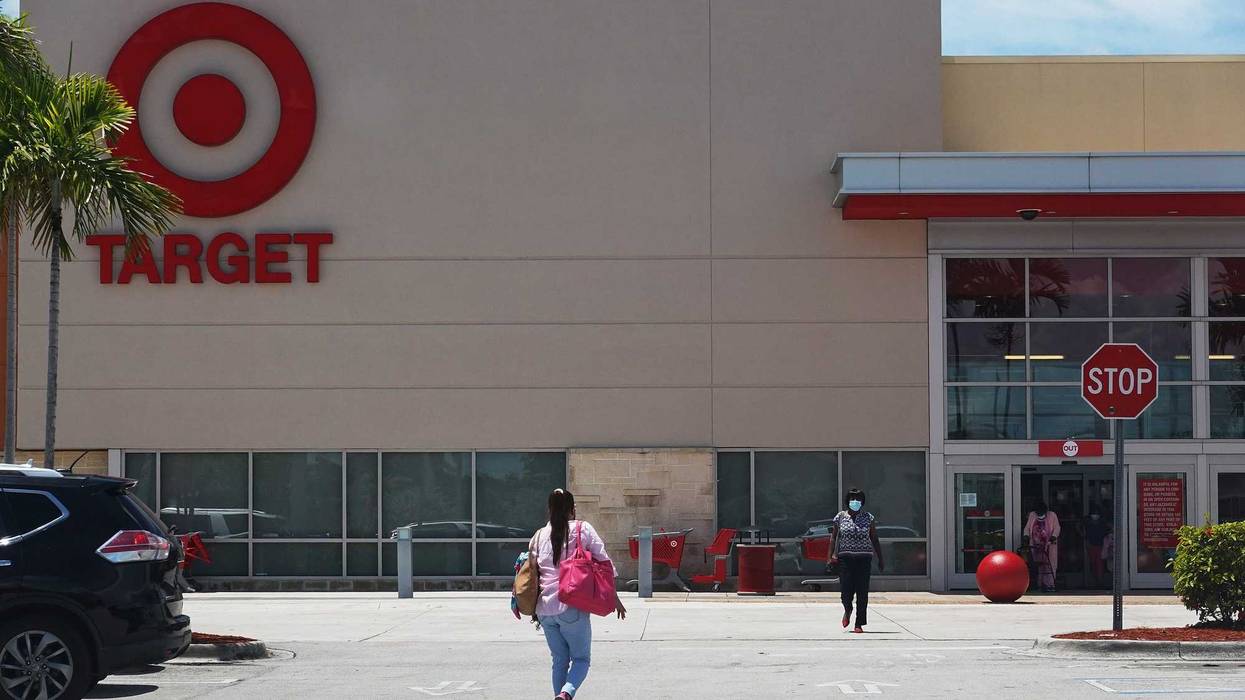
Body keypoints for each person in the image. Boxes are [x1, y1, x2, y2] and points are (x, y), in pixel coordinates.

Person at [532, 488, 626, 700]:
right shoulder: (582, 529)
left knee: (559, 661)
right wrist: (615, 597)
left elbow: (530, 569)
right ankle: (566, 694)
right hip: (571, 605)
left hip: (544, 610)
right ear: (573, 510)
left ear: (550, 510)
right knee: (581, 660)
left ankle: (559, 695)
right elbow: (604, 563)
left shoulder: (539, 535)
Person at [828, 488, 884, 633]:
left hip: (864, 559)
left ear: (862, 502)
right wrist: (830, 556)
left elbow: (874, 538)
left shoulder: (868, 517)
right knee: (845, 592)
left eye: (858, 499)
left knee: (862, 591)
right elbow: (834, 537)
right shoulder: (840, 517)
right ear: (848, 501)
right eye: (852, 499)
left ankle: (859, 623)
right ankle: (848, 609)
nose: (855, 502)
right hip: (845, 559)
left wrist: (880, 558)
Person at [1024, 501, 1061, 592]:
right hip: (1036, 545)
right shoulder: (1032, 515)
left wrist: (1053, 537)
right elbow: (1028, 527)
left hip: (1049, 544)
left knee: (1050, 564)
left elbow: (1057, 528)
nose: (1040, 514)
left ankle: (1050, 584)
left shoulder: (1052, 515)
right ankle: (1039, 584)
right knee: (1039, 565)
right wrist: (1026, 536)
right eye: (1038, 513)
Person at [1084, 506, 1108, 588]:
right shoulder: (1087, 522)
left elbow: (1106, 532)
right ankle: (1095, 580)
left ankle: (1100, 581)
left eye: (1097, 514)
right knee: (1093, 563)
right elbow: (1081, 528)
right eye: (1094, 514)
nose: (1095, 515)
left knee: (1099, 563)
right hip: (1091, 545)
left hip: (1100, 545)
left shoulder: (1102, 522)